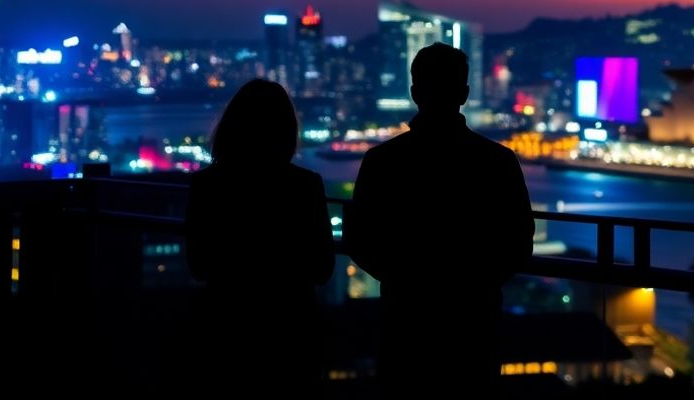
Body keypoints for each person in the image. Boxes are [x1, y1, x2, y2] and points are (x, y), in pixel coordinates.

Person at [347, 42, 533, 394]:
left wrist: (402, 276)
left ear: (415, 92)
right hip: (474, 320)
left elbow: (359, 238)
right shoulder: (497, 162)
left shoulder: (382, 162)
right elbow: (519, 240)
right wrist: (478, 281)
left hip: (405, 318)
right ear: (464, 93)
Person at [186, 79, 335, 382]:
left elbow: (198, 266)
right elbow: (322, 268)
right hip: (292, 327)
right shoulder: (305, 185)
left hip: (225, 323)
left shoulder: (206, 185)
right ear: (286, 129)